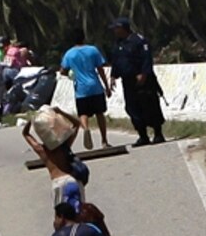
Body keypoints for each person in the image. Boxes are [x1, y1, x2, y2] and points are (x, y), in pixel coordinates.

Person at [111, 19, 166, 147]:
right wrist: (113, 76)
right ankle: (143, 135)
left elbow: (147, 58)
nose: (114, 31)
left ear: (123, 28)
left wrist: (144, 73)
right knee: (132, 108)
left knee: (150, 105)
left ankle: (158, 133)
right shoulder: (119, 43)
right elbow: (117, 61)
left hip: (143, 79)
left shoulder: (138, 40)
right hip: (128, 81)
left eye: (116, 28)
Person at [62, 35, 114, 148]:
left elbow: (62, 70)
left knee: (83, 113)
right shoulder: (93, 50)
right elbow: (100, 69)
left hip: (81, 89)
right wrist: (107, 87)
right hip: (95, 87)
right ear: (84, 38)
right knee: (100, 113)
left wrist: (71, 74)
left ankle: (86, 129)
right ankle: (104, 141)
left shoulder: (69, 54)